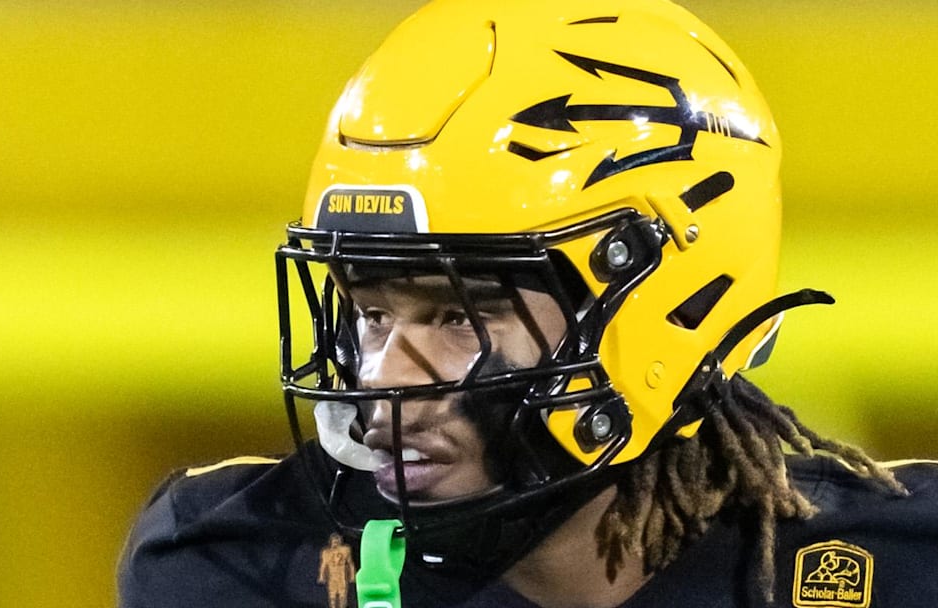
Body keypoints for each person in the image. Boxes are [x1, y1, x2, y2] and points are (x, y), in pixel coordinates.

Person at [117, 0, 938, 606]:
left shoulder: (898, 568)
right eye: (370, 312)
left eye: (456, 314)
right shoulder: (240, 565)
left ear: (663, 303)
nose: (380, 379)